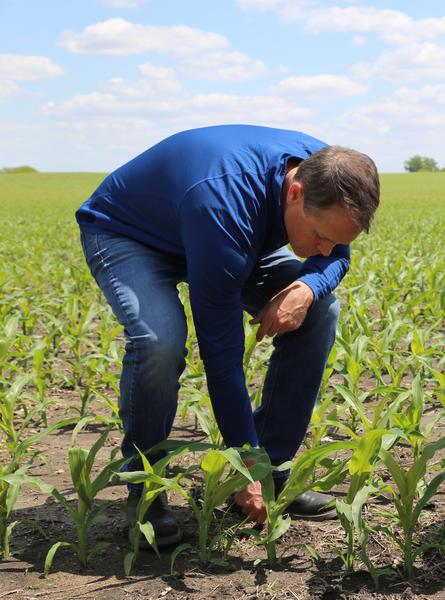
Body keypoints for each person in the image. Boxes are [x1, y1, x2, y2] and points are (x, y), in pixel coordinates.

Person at [76, 124, 380, 547]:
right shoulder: (224, 207)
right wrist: (244, 465)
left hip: (226, 233)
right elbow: (221, 361)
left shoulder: (328, 173)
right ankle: (146, 489)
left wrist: (308, 287)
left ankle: (271, 473)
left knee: (321, 308)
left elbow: (337, 254)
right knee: (159, 342)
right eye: (320, 237)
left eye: (336, 239)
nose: (325, 249)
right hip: (132, 234)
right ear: (294, 194)